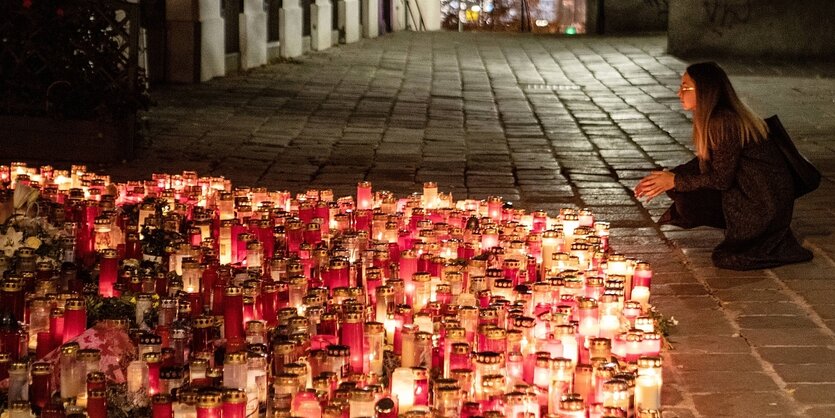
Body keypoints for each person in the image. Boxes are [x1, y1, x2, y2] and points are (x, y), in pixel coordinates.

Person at [634, 62, 813, 271]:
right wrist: (670, 176)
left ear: (705, 91)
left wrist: (674, 180)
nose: (678, 92)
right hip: (758, 194)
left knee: (726, 257)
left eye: (685, 87)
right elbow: (707, 162)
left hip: (762, 201)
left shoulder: (723, 122)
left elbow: (721, 178)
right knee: (682, 188)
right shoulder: (716, 118)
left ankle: (761, 238)